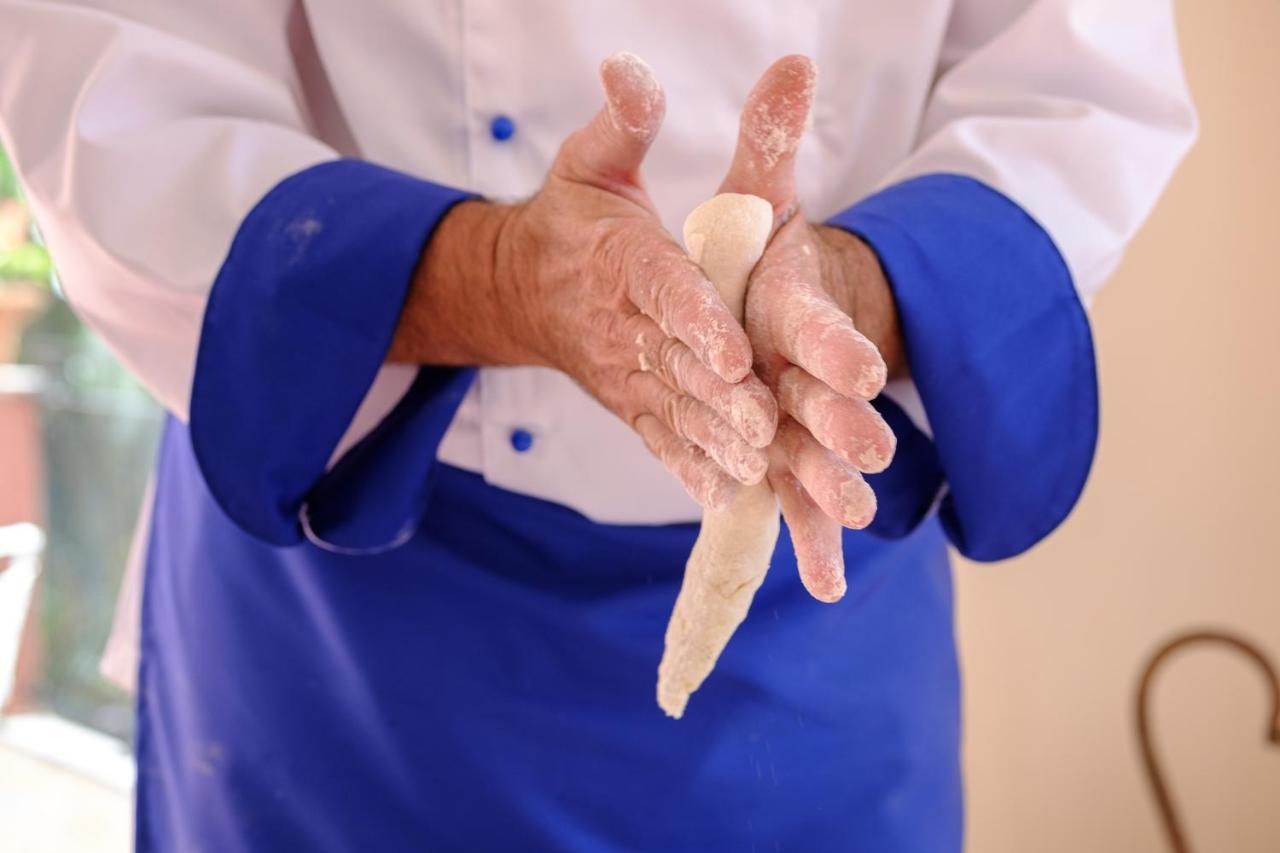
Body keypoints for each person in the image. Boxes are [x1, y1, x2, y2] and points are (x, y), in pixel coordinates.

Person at [0, 2, 1196, 850]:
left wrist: (847, 285)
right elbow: (124, 89)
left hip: (816, 590)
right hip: (352, 625)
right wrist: (505, 278)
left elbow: (1076, 85)